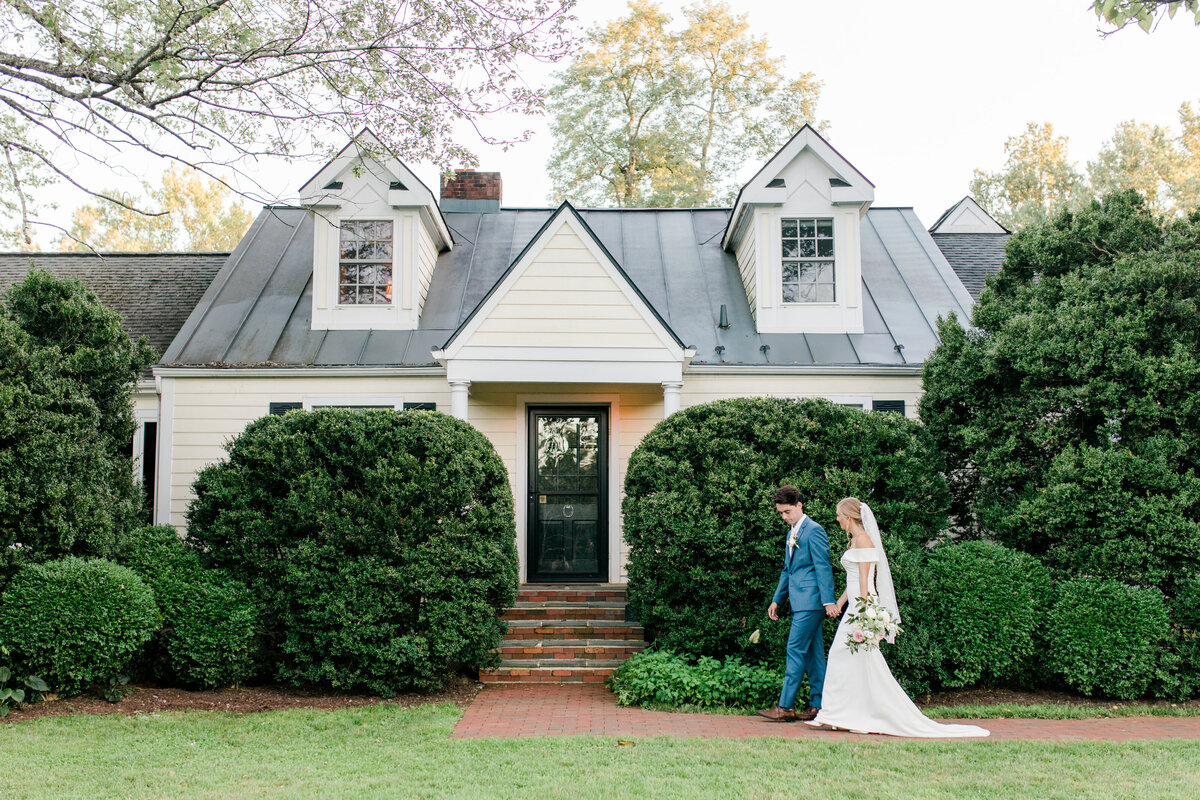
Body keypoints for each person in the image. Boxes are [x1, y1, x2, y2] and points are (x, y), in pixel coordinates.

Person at [807, 497, 989, 737]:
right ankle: (846, 714)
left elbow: (864, 581)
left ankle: (839, 713)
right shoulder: (855, 541)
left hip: (862, 606)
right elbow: (852, 580)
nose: (837, 519)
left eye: (839, 516)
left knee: (844, 655)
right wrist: (840, 603)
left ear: (849, 517)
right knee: (856, 660)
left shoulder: (862, 541)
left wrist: (862, 613)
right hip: (856, 605)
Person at [757, 485, 838, 722]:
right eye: (780, 513)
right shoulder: (792, 532)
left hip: (812, 603)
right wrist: (776, 599)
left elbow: (823, 567)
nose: (784, 517)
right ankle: (818, 705)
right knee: (813, 654)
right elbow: (787, 570)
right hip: (798, 601)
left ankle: (785, 707)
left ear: (799, 506)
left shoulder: (814, 531)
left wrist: (828, 601)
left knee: (794, 649)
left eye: (787, 512)